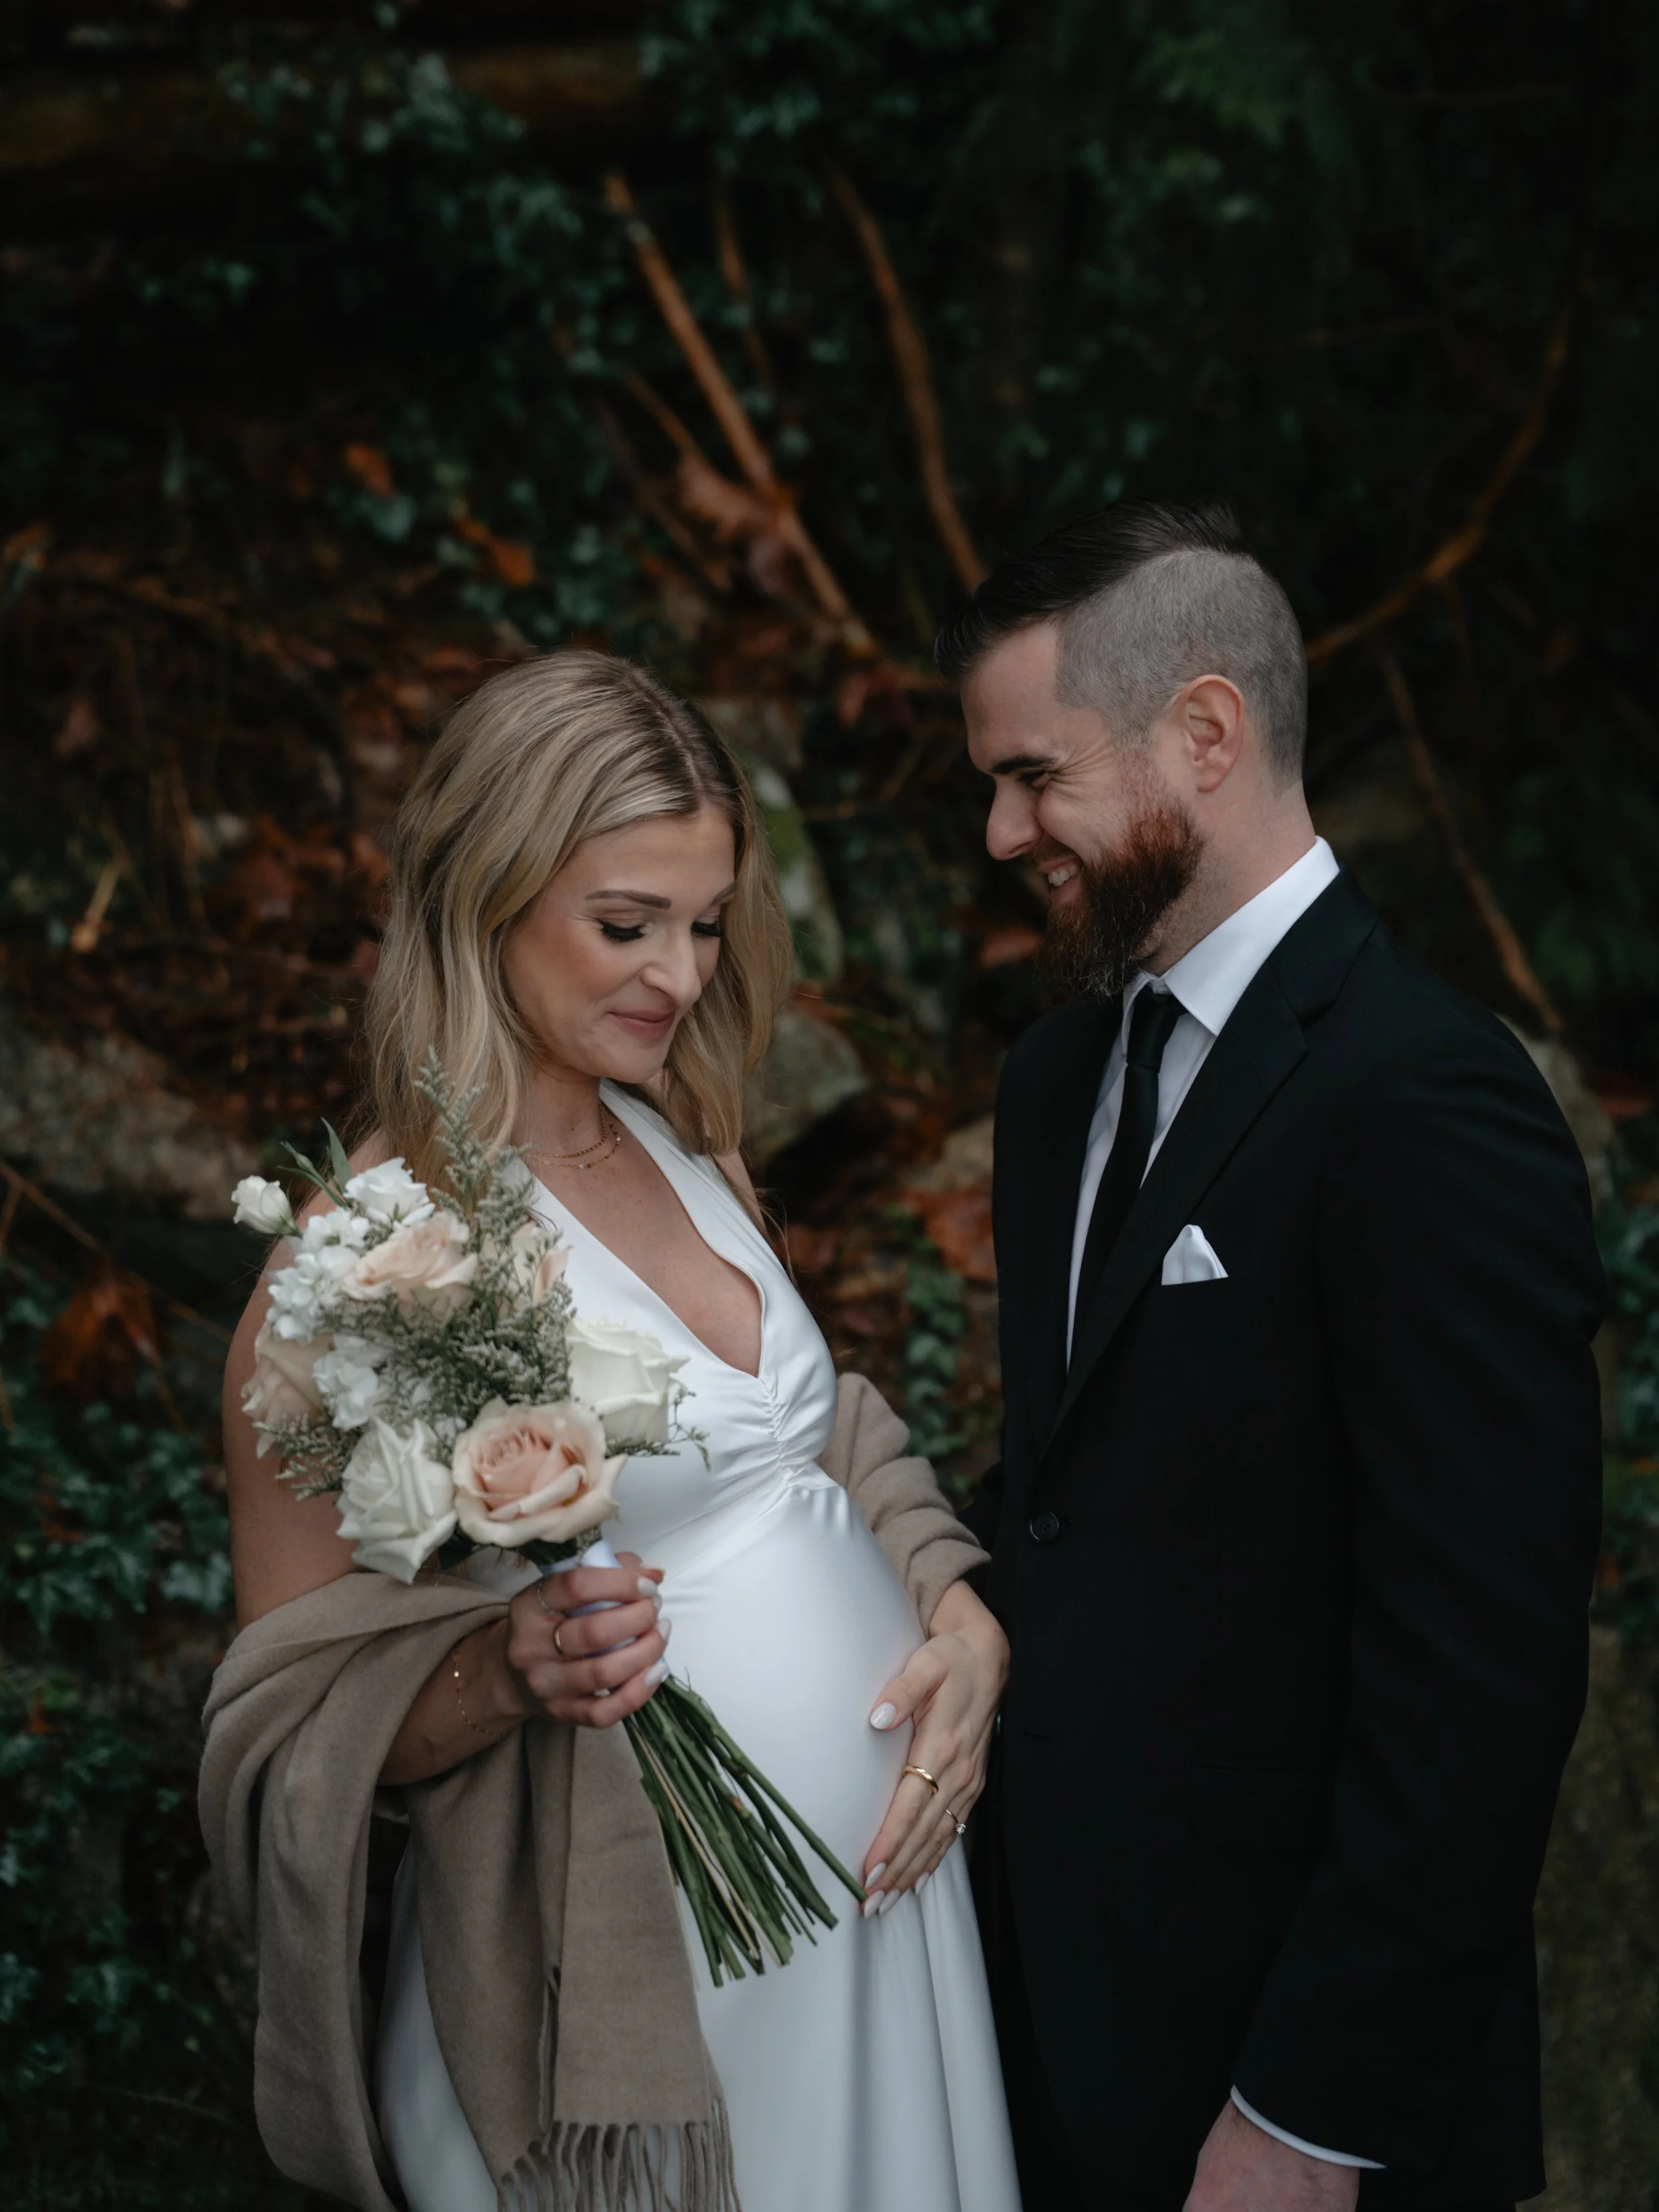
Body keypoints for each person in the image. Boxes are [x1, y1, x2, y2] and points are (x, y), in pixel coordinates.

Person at [214, 649, 1021, 2212]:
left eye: (706, 922)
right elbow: (279, 1723)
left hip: (875, 1921)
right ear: (484, 897)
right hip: (644, 1970)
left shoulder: (679, 1137)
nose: (682, 973)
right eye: (625, 924)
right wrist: (502, 1666)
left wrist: (959, 1608)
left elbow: (810, 1433)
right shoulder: (365, 1259)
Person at [938, 502, 1605, 2212]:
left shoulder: (1426, 1100)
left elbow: (1477, 1674)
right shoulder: (1046, 1091)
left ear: (1205, 732)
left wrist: (1311, 2114)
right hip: (1036, 2039)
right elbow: (1072, 1494)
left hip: (1294, 2100)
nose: (1002, 831)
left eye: (1034, 776)